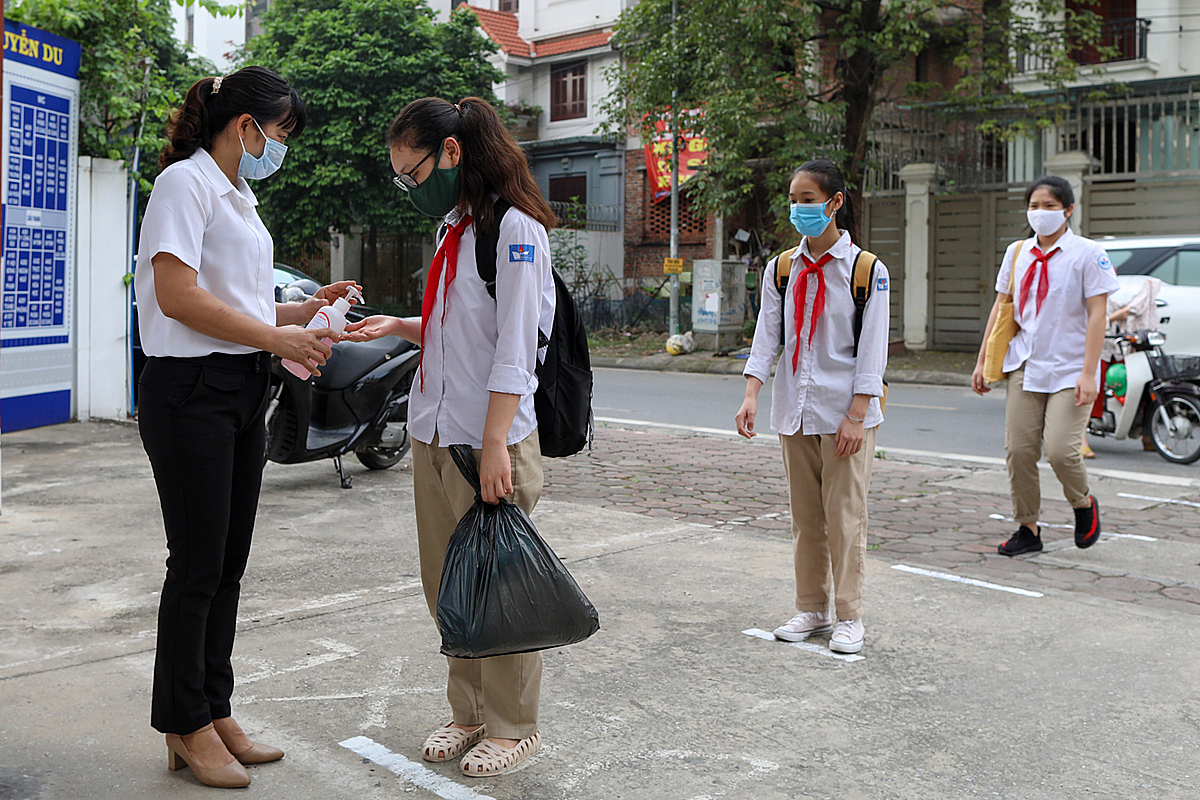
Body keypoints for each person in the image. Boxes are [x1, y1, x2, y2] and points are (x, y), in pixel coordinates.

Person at [136, 67, 361, 788]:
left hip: (239, 387)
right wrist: (276, 340)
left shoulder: (239, 195)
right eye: (281, 133)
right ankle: (182, 723)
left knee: (227, 565)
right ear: (246, 128)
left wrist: (300, 313)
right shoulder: (185, 184)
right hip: (190, 392)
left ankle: (213, 709)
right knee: (197, 564)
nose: (280, 146)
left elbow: (241, 302)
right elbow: (177, 297)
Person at [341, 97, 555, 777]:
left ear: (453, 152)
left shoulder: (515, 230)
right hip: (434, 433)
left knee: (501, 590)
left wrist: (495, 446)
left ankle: (514, 724)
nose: (409, 184)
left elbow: (515, 351)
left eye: (414, 170)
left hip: (484, 441)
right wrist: (401, 324)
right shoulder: (453, 227)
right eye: (400, 175)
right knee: (449, 586)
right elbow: (459, 327)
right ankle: (468, 712)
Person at [735, 159, 890, 656]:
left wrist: (857, 412)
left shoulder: (867, 270)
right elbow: (768, 335)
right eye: (794, 199)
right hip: (795, 410)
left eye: (808, 199)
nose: (799, 208)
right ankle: (812, 608)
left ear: (835, 202)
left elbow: (873, 347)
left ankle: (849, 615)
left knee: (845, 517)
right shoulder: (783, 267)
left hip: (844, 411)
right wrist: (752, 392)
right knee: (806, 519)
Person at [971, 175, 1119, 556]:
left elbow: (1098, 316)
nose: (1041, 213)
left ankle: (1083, 504)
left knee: (1060, 451)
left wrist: (1090, 373)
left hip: (1072, 369)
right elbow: (1002, 308)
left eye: (1050, 206)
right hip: (1025, 364)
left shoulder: (1088, 254)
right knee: (1019, 451)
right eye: (1034, 206)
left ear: (1068, 210)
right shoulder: (1017, 252)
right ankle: (1028, 527)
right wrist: (983, 359)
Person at [1084, 277, 1162, 455]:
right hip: (1100, 349)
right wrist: (1114, 317)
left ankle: (1147, 435)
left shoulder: (1134, 292)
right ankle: (1081, 439)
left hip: (1122, 349)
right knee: (1093, 388)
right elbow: (1093, 321)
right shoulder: (1092, 293)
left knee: (1144, 387)